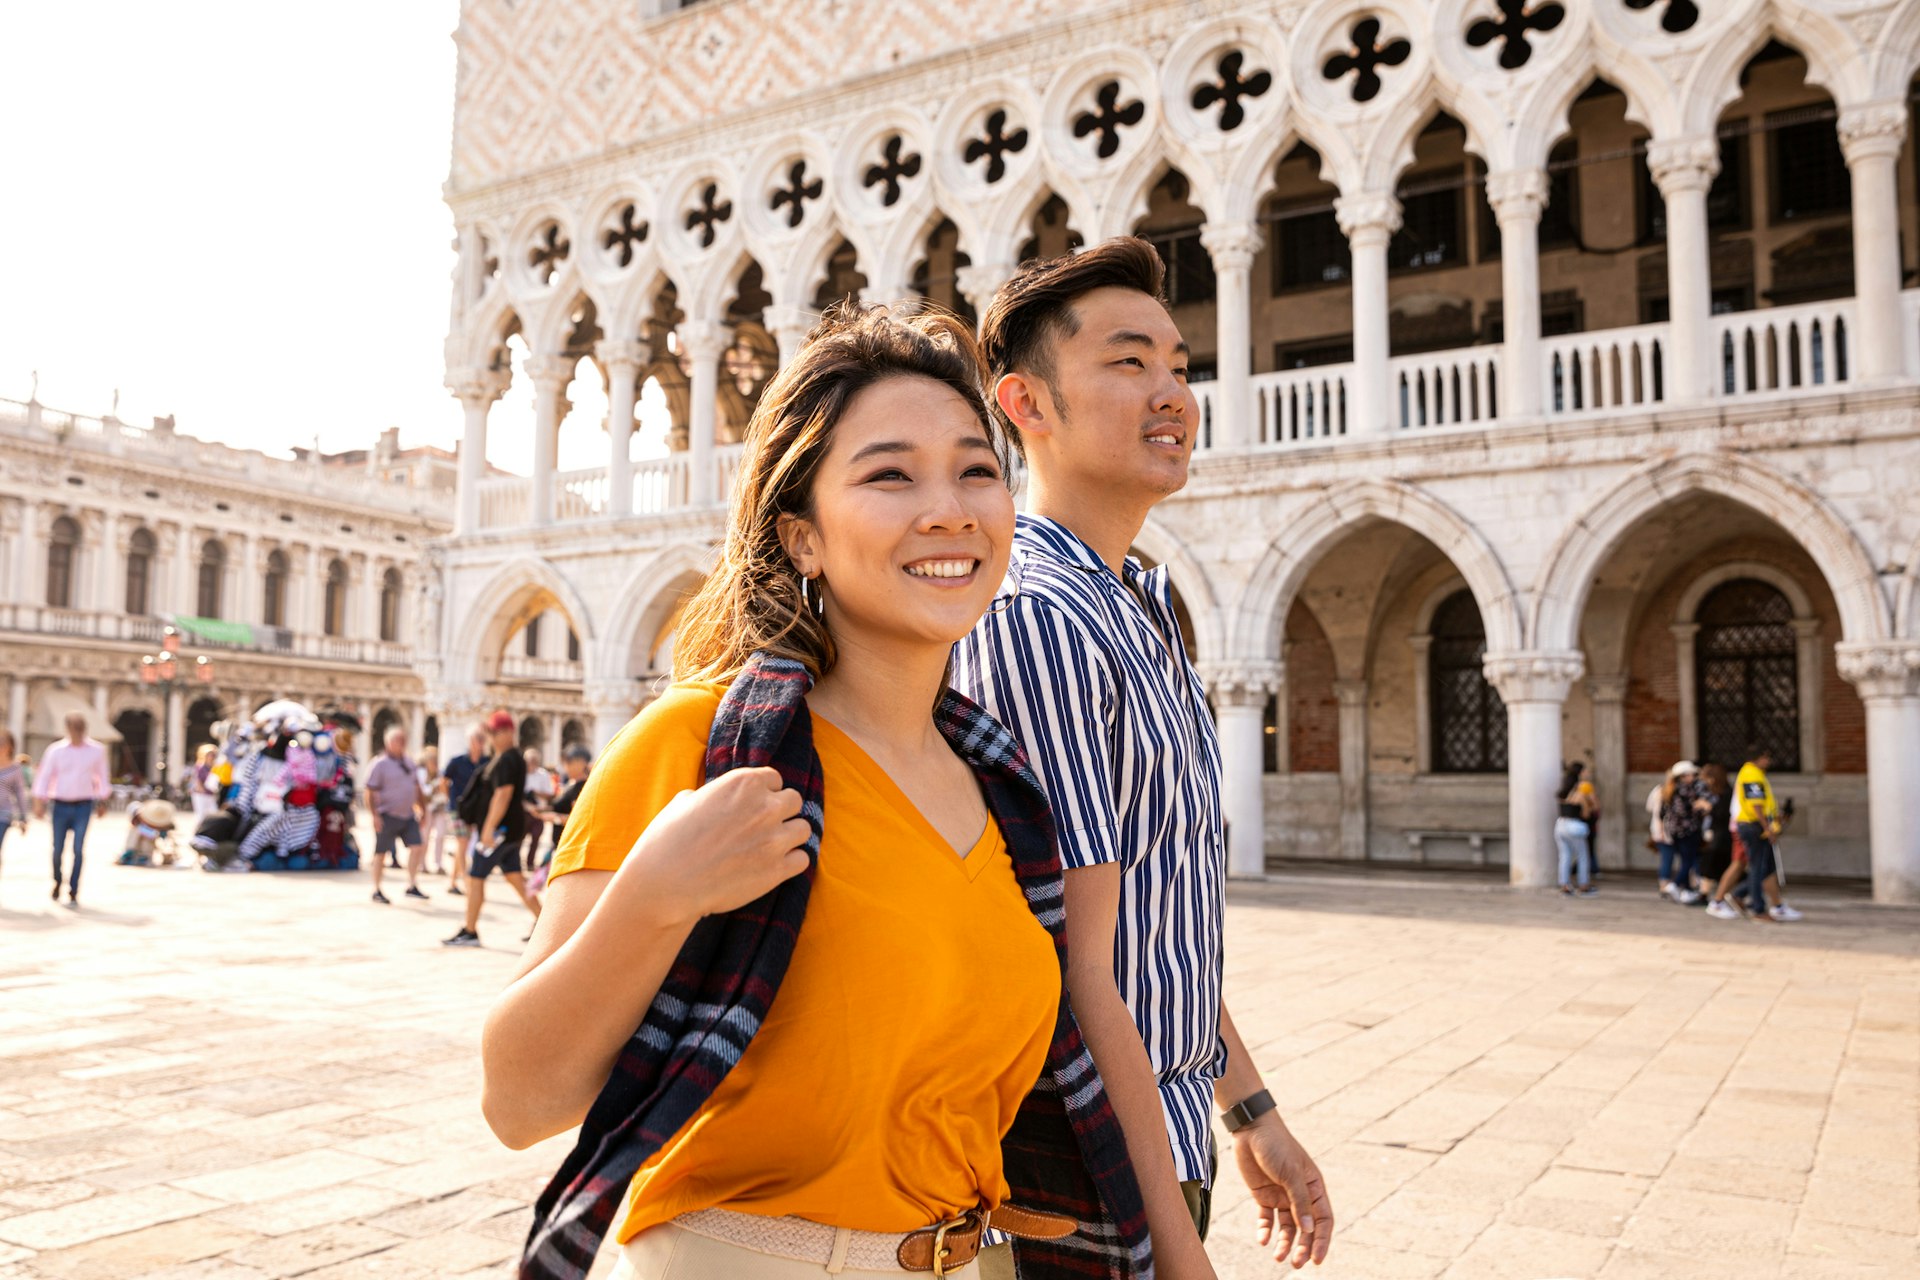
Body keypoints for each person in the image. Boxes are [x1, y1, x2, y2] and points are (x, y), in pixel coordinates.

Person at [487, 304, 1152, 1280]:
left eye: (977, 467)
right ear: (802, 536)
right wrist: (655, 892)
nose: (950, 508)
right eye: (890, 474)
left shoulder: (1004, 792)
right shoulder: (701, 745)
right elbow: (519, 1098)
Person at [953, 237, 1332, 1276]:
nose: (1171, 392)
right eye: (1129, 363)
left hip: (1157, 1129)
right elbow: (1078, 968)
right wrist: (1170, 1239)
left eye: (1178, 365)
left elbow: (1155, 925)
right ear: (1024, 403)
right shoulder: (1039, 616)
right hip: (1076, 1158)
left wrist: (1247, 1106)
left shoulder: (1142, 605)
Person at [443, 711, 538, 947]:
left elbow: (502, 794)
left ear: (508, 732)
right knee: (515, 877)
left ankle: (470, 930)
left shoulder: (507, 759)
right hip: (508, 831)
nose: (491, 737)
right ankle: (545, 921)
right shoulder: (508, 757)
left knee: (475, 878)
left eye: (494, 732)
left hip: (499, 833)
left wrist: (488, 829)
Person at [1708, 747, 1804, 923]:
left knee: (1765, 867)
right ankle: (1757, 908)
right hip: (1752, 826)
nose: (1768, 761)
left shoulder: (1754, 773)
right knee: (1757, 867)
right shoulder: (1752, 774)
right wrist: (1767, 827)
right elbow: (1756, 804)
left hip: (1753, 825)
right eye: (1766, 757)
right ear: (1759, 758)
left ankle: (1762, 902)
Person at [32, 712, 110, 906]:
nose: (78, 732)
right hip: (60, 804)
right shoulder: (56, 750)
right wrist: (39, 802)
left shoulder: (96, 750)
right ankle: (57, 881)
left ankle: (74, 888)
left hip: (84, 805)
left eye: (80, 728)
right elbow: (45, 776)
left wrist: (102, 801)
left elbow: (102, 777)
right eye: (74, 728)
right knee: (57, 849)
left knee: (78, 849)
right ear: (67, 729)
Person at [365, 726, 428, 903]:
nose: (401, 744)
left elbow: (417, 789)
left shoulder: (410, 763)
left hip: (408, 815)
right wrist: (374, 815)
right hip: (387, 814)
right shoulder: (380, 764)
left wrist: (422, 809)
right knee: (381, 853)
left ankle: (412, 884)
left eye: (403, 740)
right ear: (389, 743)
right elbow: (369, 790)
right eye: (397, 740)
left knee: (417, 848)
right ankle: (377, 889)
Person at [439, 727, 487, 896]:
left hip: (475, 810)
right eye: (476, 739)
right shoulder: (457, 761)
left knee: (463, 844)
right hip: (458, 809)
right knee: (463, 842)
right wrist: (449, 800)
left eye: (481, 739)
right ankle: (466, 881)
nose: (478, 743)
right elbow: (443, 781)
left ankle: (453, 881)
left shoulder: (486, 762)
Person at [1657, 762, 1711, 904]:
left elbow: (1662, 812)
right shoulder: (1683, 789)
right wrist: (1700, 806)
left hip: (1674, 830)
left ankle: (1686, 890)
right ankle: (1674, 885)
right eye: (1691, 775)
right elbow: (1686, 810)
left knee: (1685, 859)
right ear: (1683, 776)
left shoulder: (1669, 789)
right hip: (1687, 829)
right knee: (1689, 860)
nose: (1693, 777)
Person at [1554, 762, 1597, 896]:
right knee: (1583, 856)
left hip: (1560, 824)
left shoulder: (1564, 790)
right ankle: (1583, 885)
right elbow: (1586, 812)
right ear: (1580, 773)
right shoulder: (1581, 790)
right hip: (1574, 826)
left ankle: (1565, 884)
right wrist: (1589, 804)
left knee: (1564, 856)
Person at [518, 745, 556, 872]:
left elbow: (550, 794)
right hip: (522, 811)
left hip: (538, 812)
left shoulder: (543, 775)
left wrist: (535, 793)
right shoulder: (520, 773)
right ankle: (515, 864)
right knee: (519, 838)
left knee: (536, 837)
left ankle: (530, 862)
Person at [0, 730, 29, 892]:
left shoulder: (15, 768)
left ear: (11, 746)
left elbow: (20, 793)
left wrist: (24, 817)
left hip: (3, 814)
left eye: (4, 742)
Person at [417, 745, 446, 874]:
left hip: (439, 808)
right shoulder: (421, 774)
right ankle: (422, 863)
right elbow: (424, 792)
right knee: (425, 837)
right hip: (426, 809)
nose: (434, 763)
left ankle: (438, 863)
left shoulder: (441, 774)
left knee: (440, 835)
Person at [188, 744, 221, 821]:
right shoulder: (200, 766)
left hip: (210, 793)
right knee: (201, 815)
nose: (212, 757)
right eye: (210, 755)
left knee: (214, 812)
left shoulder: (215, 766)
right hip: (200, 794)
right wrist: (201, 789)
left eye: (213, 755)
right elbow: (197, 780)